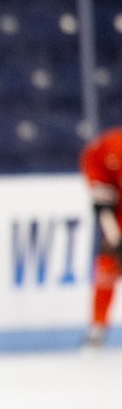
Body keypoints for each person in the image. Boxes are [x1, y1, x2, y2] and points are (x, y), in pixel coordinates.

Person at [80, 127, 122, 349]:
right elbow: (103, 204)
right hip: (119, 219)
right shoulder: (105, 151)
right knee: (107, 267)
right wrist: (115, 237)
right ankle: (98, 326)